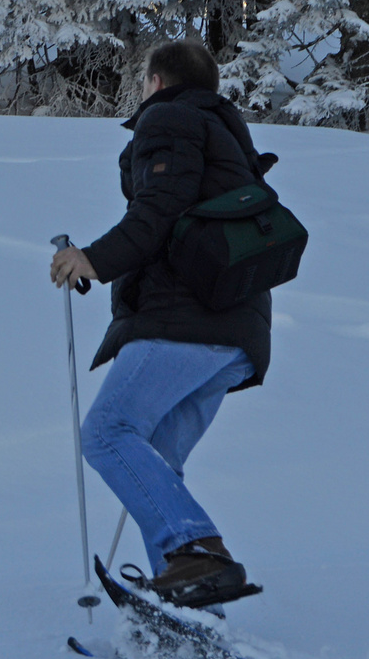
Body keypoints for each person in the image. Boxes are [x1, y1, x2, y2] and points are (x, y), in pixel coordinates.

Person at [48, 38, 273, 608]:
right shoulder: (225, 133)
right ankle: (196, 617)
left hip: (185, 323)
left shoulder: (170, 118)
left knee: (106, 433)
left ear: (156, 81)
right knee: (159, 466)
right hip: (234, 335)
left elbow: (159, 208)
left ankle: (198, 553)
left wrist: (92, 260)